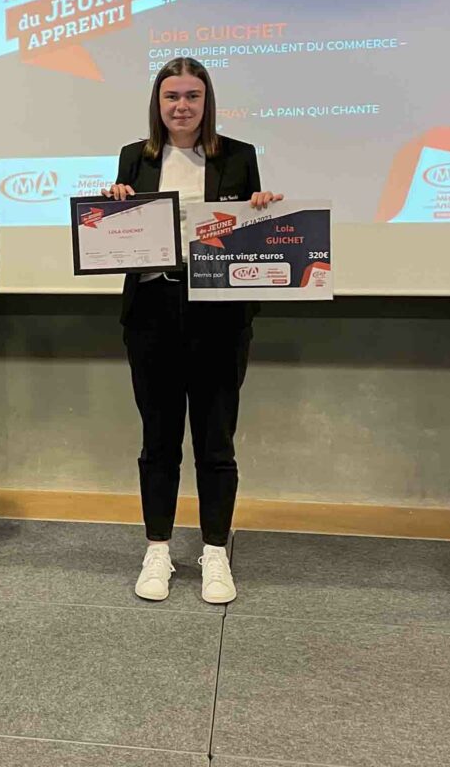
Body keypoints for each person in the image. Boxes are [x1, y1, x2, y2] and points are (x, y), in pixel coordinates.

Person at [102, 57, 282, 605]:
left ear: (207, 102)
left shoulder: (239, 157)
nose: (182, 106)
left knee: (215, 441)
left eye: (192, 96)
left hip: (219, 318)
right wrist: (113, 210)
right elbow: (121, 237)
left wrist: (262, 209)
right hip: (153, 312)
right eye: (171, 96)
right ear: (158, 104)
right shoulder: (136, 157)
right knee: (157, 441)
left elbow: (251, 232)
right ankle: (158, 548)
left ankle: (215, 553)